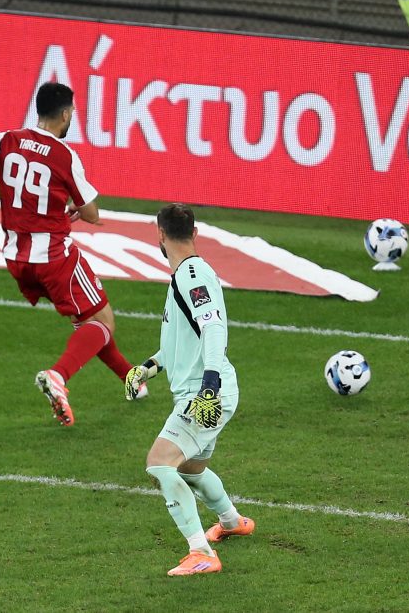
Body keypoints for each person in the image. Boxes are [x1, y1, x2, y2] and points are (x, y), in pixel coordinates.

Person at [0, 82, 143, 427]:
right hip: (54, 258)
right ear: (65, 114)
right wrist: (76, 208)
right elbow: (91, 213)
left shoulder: (6, 140)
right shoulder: (64, 155)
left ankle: (131, 379)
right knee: (102, 322)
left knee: (87, 322)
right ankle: (58, 376)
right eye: (73, 111)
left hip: (17, 259)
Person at [126, 203, 253, 576]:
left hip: (205, 393)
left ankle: (201, 553)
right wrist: (148, 367)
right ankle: (232, 521)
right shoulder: (184, 275)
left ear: (160, 234)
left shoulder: (192, 274)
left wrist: (209, 386)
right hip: (209, 389)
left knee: (159, 462)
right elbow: (180, 343)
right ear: (194, 233)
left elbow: (213, 328)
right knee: (192, 469)